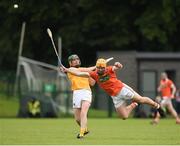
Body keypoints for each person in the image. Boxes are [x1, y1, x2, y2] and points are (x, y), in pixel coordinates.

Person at [61, 58, 160, 120]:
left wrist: (118, 65)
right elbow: (78, 73)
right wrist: (67, 70)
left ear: (105, 67)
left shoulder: (109, 69)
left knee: (141, 99)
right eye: (98, 68)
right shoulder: (93, 74)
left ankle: (156, 105)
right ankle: (133, 105)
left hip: (122, 89)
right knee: (124, 117)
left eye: (102, 68)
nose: (100, 69)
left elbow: (117, 67)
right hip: (115, 96)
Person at [64, 54, 96, 139]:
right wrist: (96, 66)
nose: (77, 60)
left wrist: (95, 74)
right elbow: (83, 70)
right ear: (70, 63)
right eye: (74, 60)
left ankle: (81, 134)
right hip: (76, 93)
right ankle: (85, 129)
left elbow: (92, 83)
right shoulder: (70, 70)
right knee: (78, 119)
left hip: (86, 92)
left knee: (83, 113)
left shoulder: (86, 72)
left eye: (77, 59)